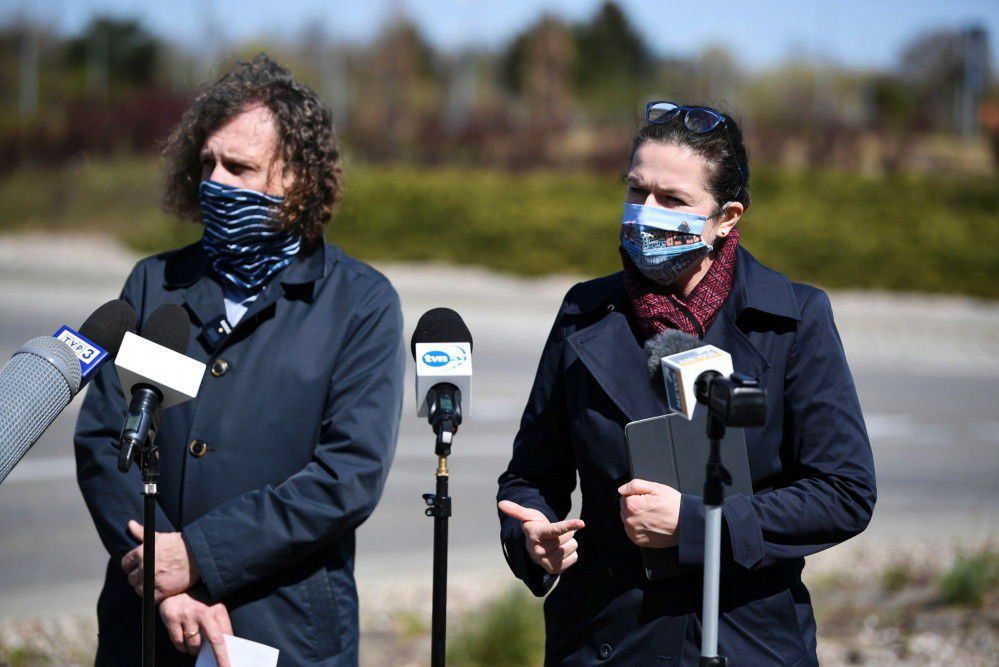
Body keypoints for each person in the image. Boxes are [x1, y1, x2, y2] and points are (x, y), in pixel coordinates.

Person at [496, 101, 876, 665]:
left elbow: (844, 492)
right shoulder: (583, 311)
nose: (647, 213)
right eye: (636, 191)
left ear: (726, 218)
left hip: (743, 638)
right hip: (605, 637)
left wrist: (698, 525)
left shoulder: (794, 319)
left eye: (673, 200)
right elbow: (532, 475)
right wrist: (534, 539)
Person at [74, 54, 405, 666]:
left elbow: (346, 476)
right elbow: (103, 439)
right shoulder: (154, 285)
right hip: (146, 621)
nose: (216, 182)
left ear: (298, 180)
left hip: (283, 626)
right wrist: (162, 579)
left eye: (240, 167)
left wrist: (198, 555)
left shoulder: (360, 304)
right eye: (206, 164)